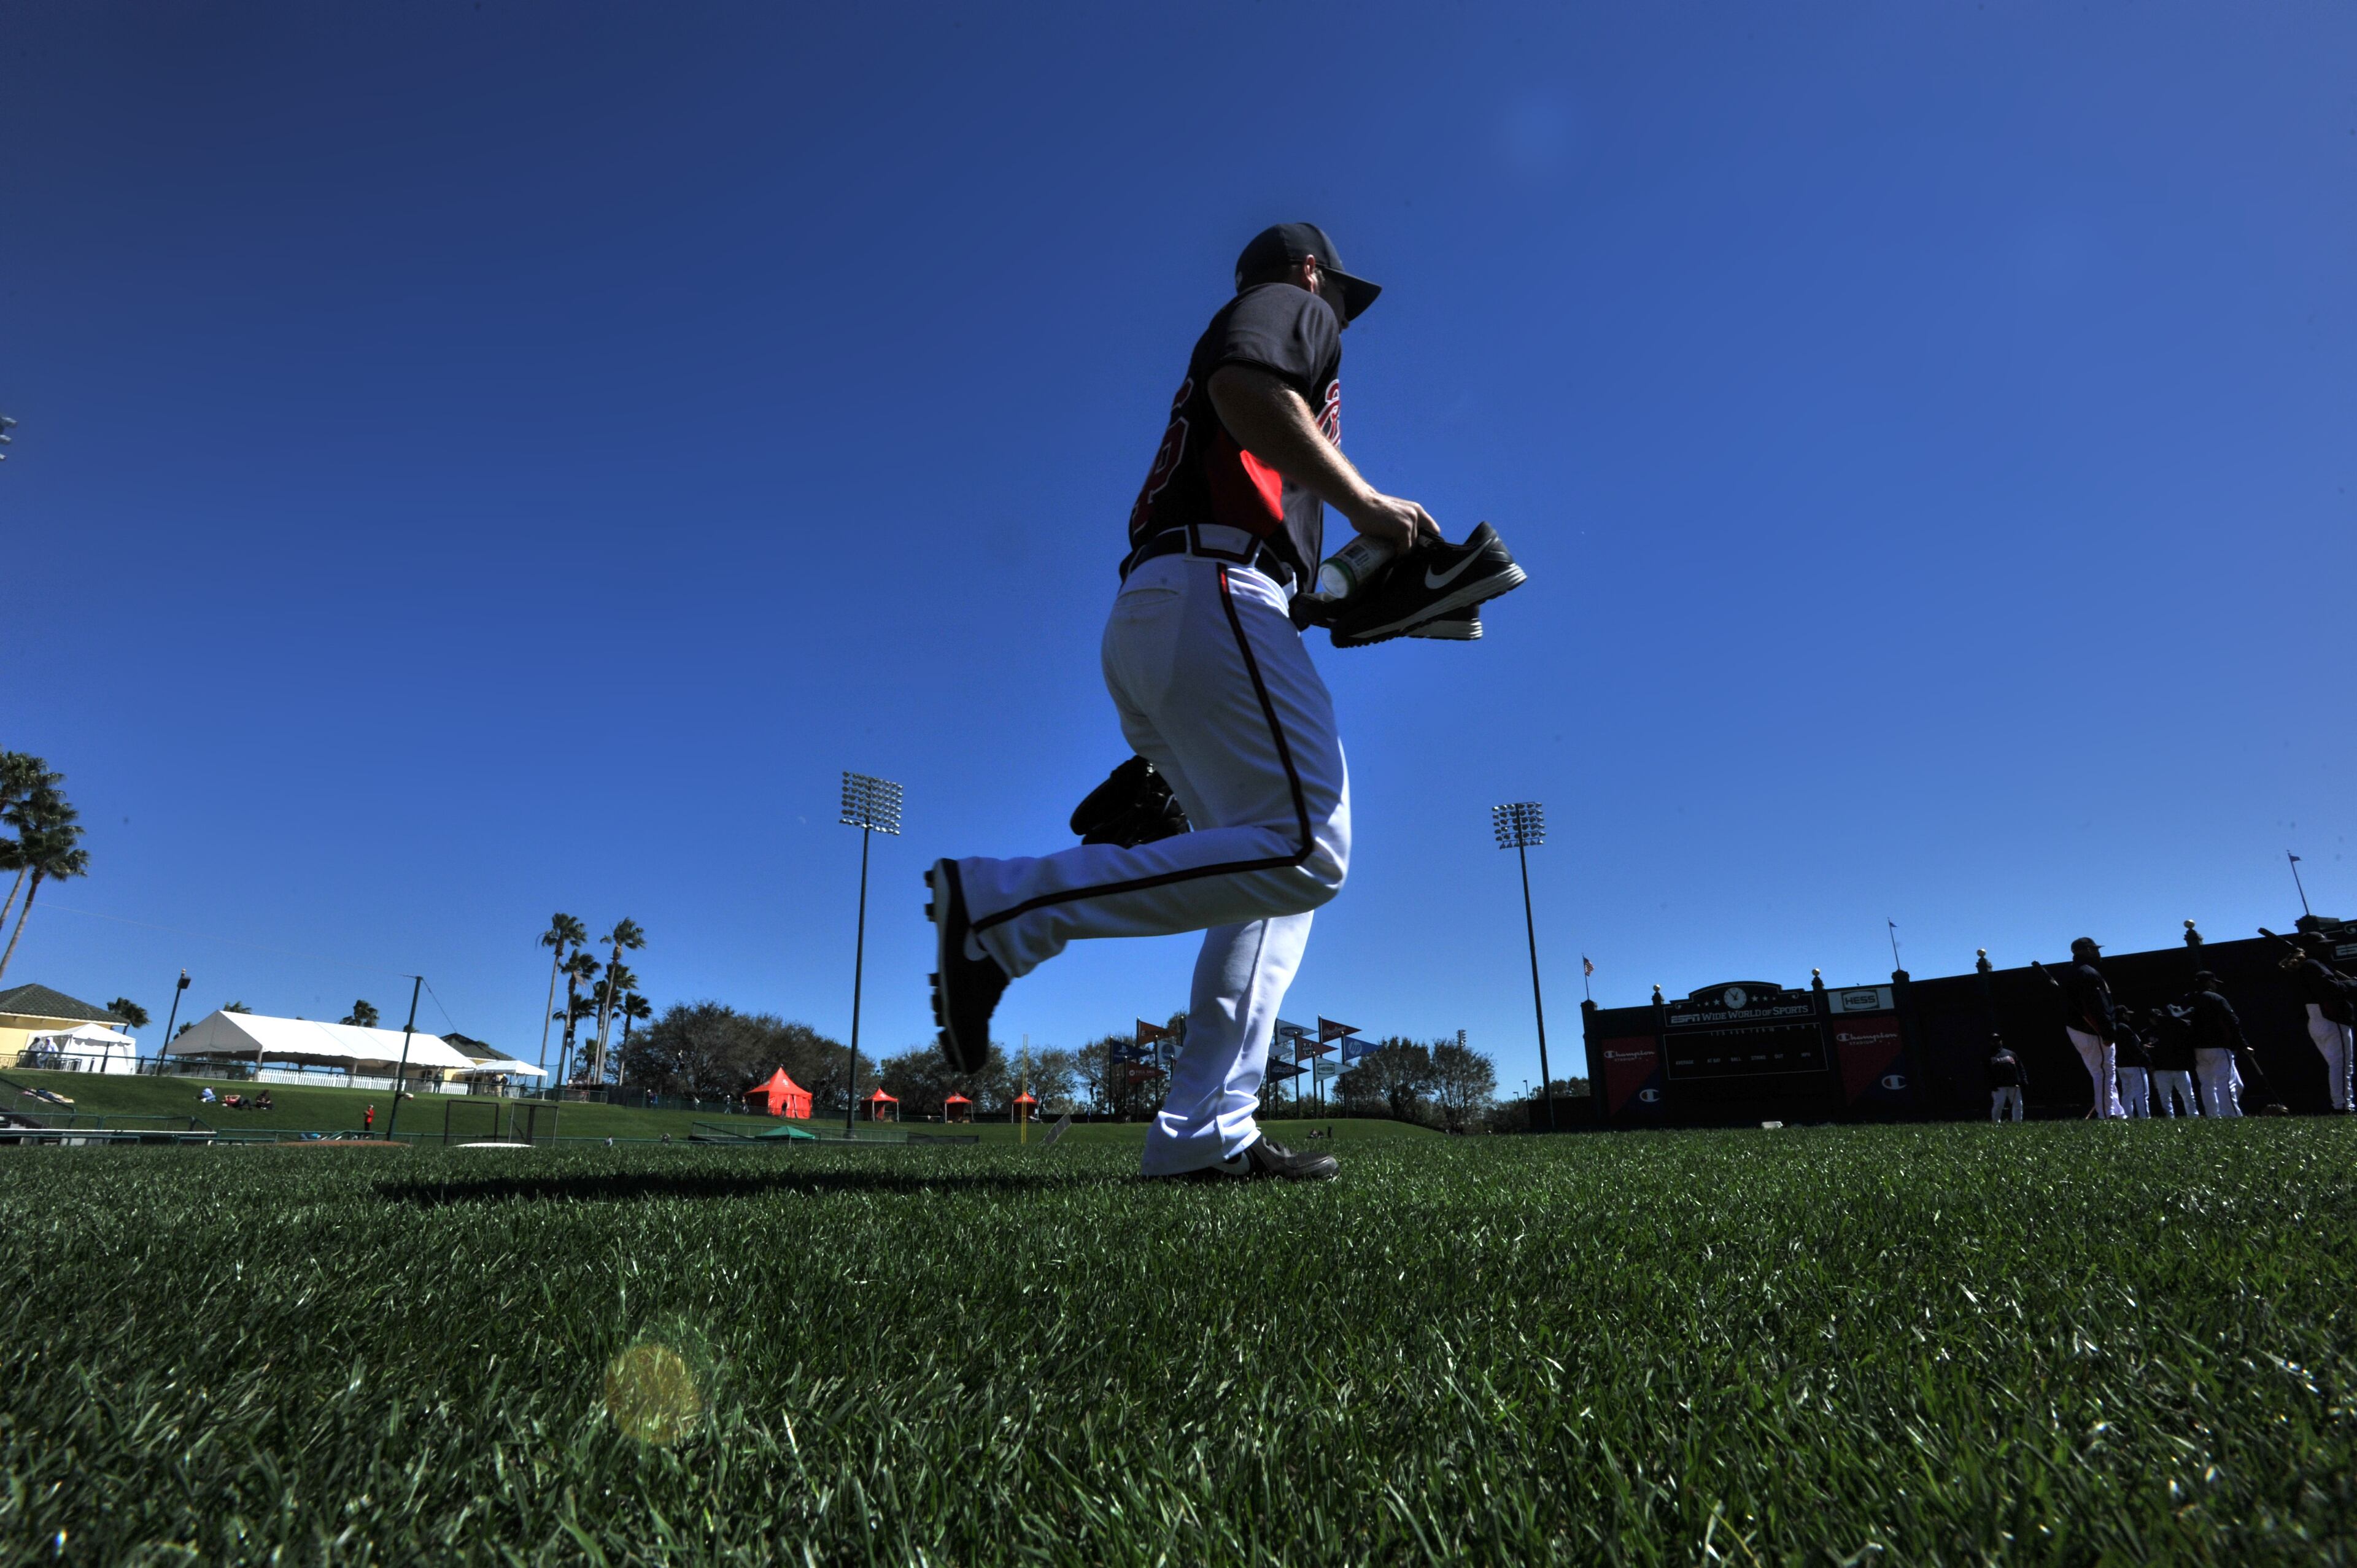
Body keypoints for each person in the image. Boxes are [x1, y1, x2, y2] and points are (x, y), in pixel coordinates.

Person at [924, 225, 1523, 1183]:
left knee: (1268, 892)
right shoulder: (1294, 307)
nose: (1336, 318)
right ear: (1311, 273)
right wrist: (1372, 507)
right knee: (1306, 849)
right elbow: (1243, 390)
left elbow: (1268, 506)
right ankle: (1007, 910)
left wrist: (1375, 591)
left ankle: (1206, 1129)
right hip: (1213, 593)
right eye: (1334, 294)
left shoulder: (1272, 390)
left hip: (1177, 606)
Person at [2033, 938, 2124, 1118]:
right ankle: (2107, 1114)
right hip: (2091, 1030)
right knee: (2104, 1072)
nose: (2098, 953)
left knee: (2103, 1073)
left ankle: (2118, 1112)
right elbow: (2096, 1006)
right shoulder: (2086, 973)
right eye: (2094, 949)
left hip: (2078, 1029)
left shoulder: (2072, 971)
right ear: (2087, 951)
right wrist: (2106, 1031)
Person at [2285, 938, 2356, 1112]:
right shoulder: (2313, 965)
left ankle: (2342, 1103)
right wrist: (2353, 983)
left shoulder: (2305, 966)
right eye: (2322, 945)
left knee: (2337, 1065)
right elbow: (2331, 990)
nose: (2327, 947)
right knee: (2341, 1065)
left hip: (2316, 1019)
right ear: (2313, 948)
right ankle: (2343, 1105)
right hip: (2330, 1018)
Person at [2183, 973, 2248, 1119]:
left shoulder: (2188, 999)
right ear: (2209, 983)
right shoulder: (2215, 998)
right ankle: (2232, 1115)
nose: (2215, 985)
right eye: (2214, 982)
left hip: (2197, 1049)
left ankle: (2213, 1115)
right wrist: (2242, 1044)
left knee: (2207, 1084)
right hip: (2218, 1046)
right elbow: (2233, 1021)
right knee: (2225, 1082)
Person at [2146, 1004, 2200, 1118]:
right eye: (2153, 1017)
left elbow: (2186, 1026)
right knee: (2165, 1096)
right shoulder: (2148, 1032)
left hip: (2179, 1067)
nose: (2156, 1019)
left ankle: (2193, 1116)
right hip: (2161, 1069)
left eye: (2157, 1017)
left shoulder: (2173, 1027)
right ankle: (2169, 1118)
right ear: (2150, 1019)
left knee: (2188, 1095)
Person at [2112, 1007, 2153, 1119]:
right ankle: (2145, 1118)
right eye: (2127, 1014)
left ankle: (2127, 1116)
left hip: (2121, 1066)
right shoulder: (2125, 1028)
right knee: (2142, 1092)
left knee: (2127, 1093)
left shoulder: (2114, 1028)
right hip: (2134, 1065)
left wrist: (2141, 1046)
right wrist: (2146, 1059)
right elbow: (2132, 1048)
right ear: (2123, 1015)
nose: (2129, 1016)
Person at [1986, 1035, 2027, 1122]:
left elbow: (2020, 1067)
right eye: (1994, 1041)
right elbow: (1986, 1071)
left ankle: (2017, 1123)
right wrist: (1991, 1084)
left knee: (2018, 1104)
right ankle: (1996, 1123)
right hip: (1999, 1086)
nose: (1997, 1042)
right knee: (1999, 1105)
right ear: (1991, 1042)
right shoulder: (1988, 1055)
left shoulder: (2011, 1053)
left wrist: (2023, 1079)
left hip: (2014, 1084)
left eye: (1998, 1040)